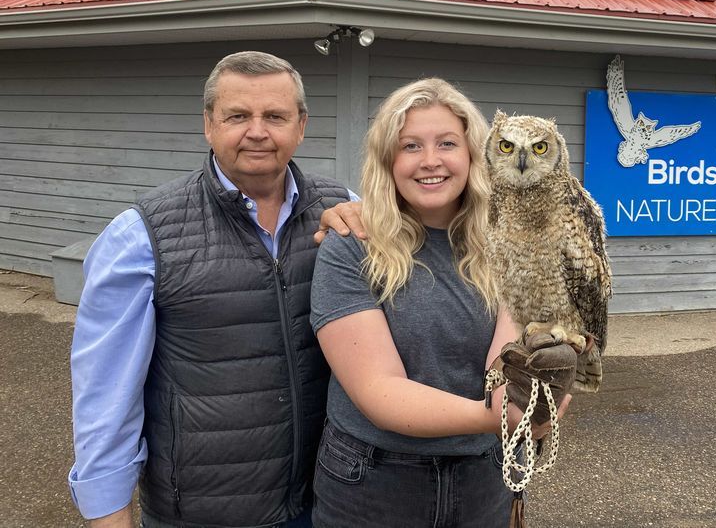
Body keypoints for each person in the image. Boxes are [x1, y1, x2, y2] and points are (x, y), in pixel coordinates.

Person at [69, 51, 353, 528]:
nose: (258, 131)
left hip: (325, 502)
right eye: (238, 115)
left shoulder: (346, 212)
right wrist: (107, 514)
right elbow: (106, 396)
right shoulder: (141, 235)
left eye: (275, 116)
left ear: (301, 126)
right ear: (208, 124)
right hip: (203, 512)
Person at [309, 78, 574, 528]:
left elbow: (507, 368)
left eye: (447, 143)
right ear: (387, 160)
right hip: (374, 478)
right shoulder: (352, 245)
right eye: (410, 145)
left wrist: (529, 400)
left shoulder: (510, 243)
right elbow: (379, 392)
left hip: (484, 477)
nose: (430, 161)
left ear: (474, 153)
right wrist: (502, 419)